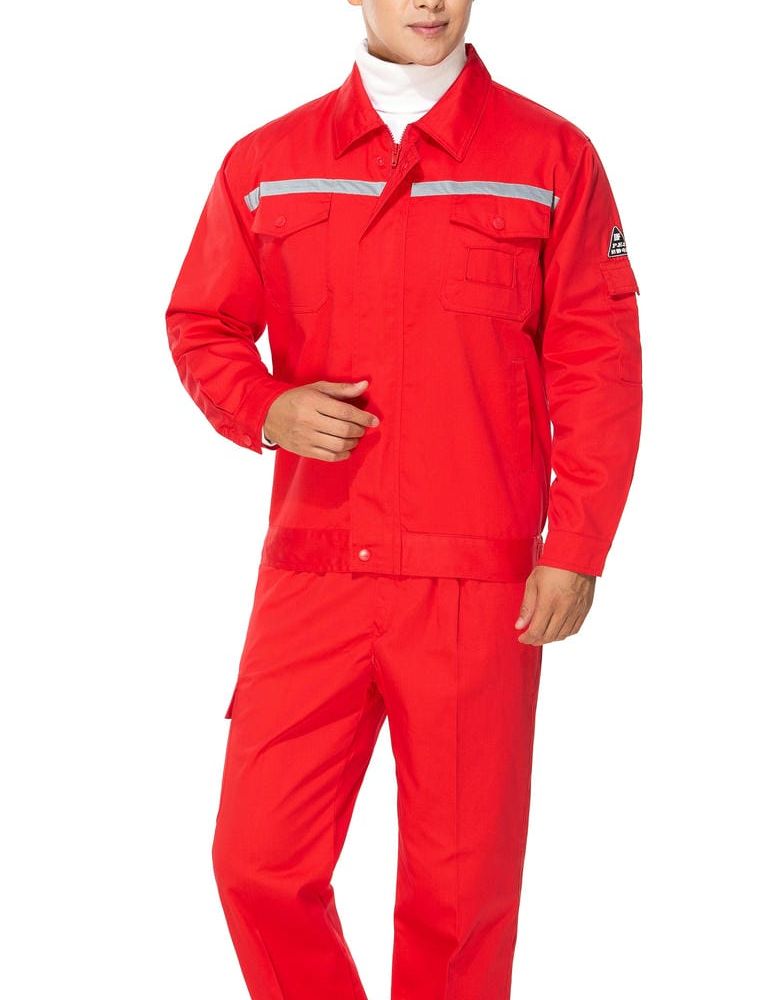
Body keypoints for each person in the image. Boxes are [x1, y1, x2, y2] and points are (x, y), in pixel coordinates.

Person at [165, 1, 642, 996]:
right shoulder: (269, 162)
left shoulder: (550, 157)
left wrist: (576, 545)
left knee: (458, 903)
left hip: (476, 579)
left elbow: (597, 363)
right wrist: (266, 407)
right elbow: (201, 322)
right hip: (314, 568)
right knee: (255, 863)